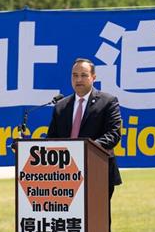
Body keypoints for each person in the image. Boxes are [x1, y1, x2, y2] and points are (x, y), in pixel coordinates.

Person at [47, 58, 122, 198]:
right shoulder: (61, 106)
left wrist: (86, 148)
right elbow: (51, 139)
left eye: (83, 75)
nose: (78, 79)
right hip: (65, 174)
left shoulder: (108, 102)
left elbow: (113, 134)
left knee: (97, 219)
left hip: (98, 171)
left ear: (93, 77)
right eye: (75, 75)